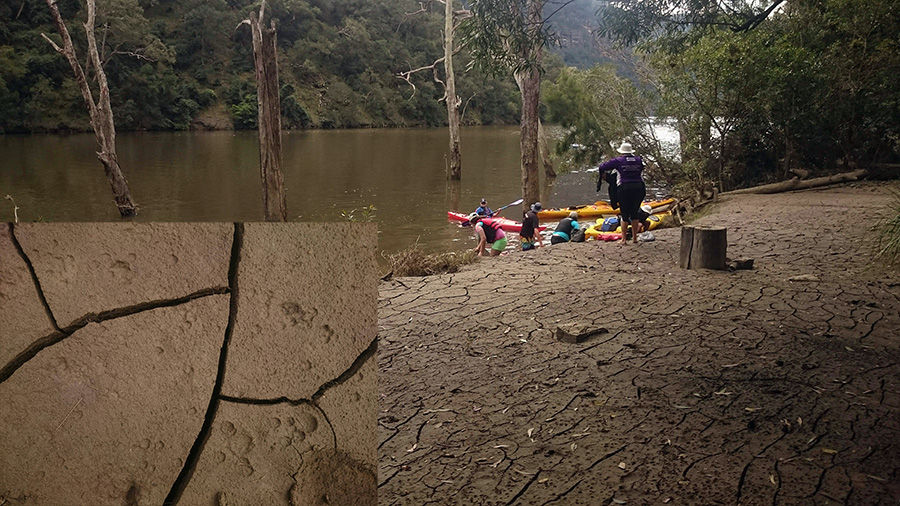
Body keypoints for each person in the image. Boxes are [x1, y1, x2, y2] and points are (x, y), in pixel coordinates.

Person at [598, 141, 646, 245]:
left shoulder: (618, 161)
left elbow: (602, 167)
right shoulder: (639, 160)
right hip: (639, 188)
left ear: (622, 152)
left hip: (624, 188)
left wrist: (604, 176)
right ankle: (635, 238)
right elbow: (642, 168)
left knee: (624, 214)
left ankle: (624, 239)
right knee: (635, 213)